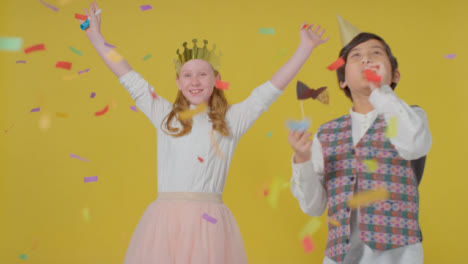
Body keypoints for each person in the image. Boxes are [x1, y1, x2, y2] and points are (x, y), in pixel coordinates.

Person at [79, 2, 329, 263]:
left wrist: (304, 48)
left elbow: (269, 91)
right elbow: (128, 76)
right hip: (164, 225)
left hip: (209, 226)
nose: (194, 82)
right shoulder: (164, 115)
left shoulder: (231, 119)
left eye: (202, 74)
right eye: (187, 75)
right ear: (177, 81)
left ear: (216, 78)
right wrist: (97, 38)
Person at [288, 32, 432, 264]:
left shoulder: (410, 117)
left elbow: (415, 145)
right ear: (343, 80)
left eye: (376, 53)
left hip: (398, 255)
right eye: (356, 56)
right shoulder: (325, 134)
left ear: (394, 74)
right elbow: (314, 207)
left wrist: (380, 91)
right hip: (339, 257)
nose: (366, 59)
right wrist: (302, 159)